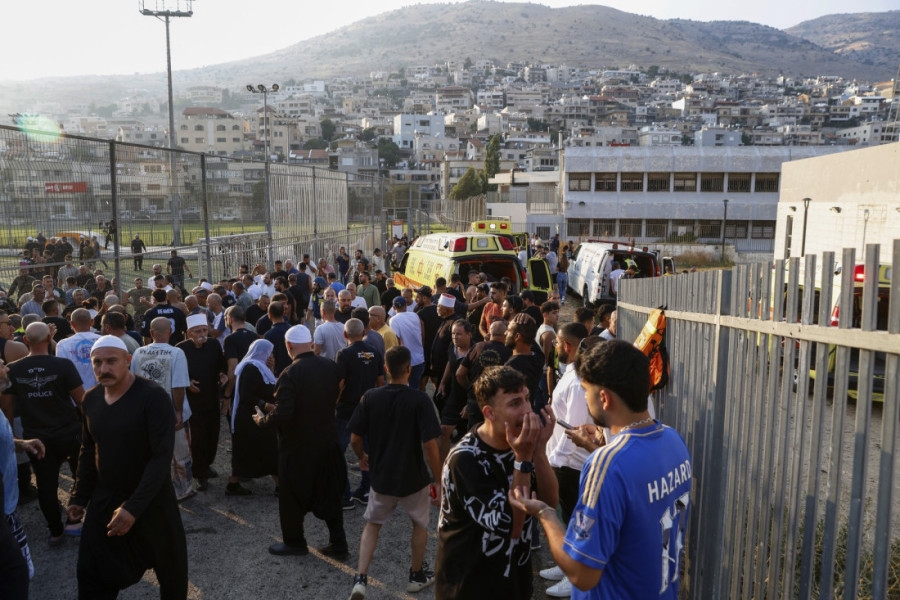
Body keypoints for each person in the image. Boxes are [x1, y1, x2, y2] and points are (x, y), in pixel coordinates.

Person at [508, 340, 692, 600]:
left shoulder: (607, 463)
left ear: (604, 398)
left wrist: (546, 513)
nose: (584, 398)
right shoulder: (674, 440)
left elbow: (582, 574)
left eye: (586, 391)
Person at [68, 336, 188, 599]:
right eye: (97, 362)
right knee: (91, 572)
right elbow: (89, 450)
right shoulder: (91, 399)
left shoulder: (153, 397)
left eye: (111, 362)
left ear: (128, 361)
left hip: (152, 499)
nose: (103, 369)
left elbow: (161, 457)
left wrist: (133, 507)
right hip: (106, 497)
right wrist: (79, 495)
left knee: (171, 571)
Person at [435, 366, 558, 599]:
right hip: (469, 586)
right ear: (489, 413)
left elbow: (549, 503)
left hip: (514, 583)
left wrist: (539, 452)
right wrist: (523, 459)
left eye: (527, 399)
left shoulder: (520, 443)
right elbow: (513, 527)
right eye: (514, 404)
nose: (527, 410)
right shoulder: (465, 459)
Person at [347, 346, 443, 599]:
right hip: (414, 477)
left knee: (373, 524)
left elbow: (355, 438)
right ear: (409, 369)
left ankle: (360, 577)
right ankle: (415, 575)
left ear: (386, 369)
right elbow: (430, 446)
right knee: (420, 524)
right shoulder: (420, 400)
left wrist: (362, 457)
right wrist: (439, 479)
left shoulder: (370, 397)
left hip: (382, 476)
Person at [253, 325, 349, 559]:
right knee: (330, 496)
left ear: (288, 346)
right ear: (311, 344)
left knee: (291, 497)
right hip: (327, 442)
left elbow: (284, 413)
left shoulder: (290, 374)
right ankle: (339, 544)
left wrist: (262, 420)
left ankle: (295, 542)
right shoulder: (330, 366)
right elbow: (338, 393)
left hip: (298, 448)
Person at [1, 322, 85, 543]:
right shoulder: (63, 365)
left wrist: (11, 439)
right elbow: (81, 401)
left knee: (47, 485)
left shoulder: (14, 369)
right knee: (80, 476)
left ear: (26, 341)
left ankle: (55, 531)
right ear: (50, 339)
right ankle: (75, 520)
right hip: (70, 432)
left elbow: (7, 409)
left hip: (36, 437)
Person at [539, 322, 590, 597]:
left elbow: (577, 428)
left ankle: (574, 576)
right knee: (571, 520)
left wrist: (555, 459)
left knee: (575, 521)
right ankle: (566, 565)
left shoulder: (580, 381)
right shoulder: (571, 374)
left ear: (566, 345)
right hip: (562, 460)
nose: (555, 346)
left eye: (558, 342)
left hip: (572, 463)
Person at [131, 317, 194, 502]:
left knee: (151, 453)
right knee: (180, 454)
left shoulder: (138, 352)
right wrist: (179, 412)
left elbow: (133, 382)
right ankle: (183, 489)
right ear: (171, 332)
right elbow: (178, 386)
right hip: (171, 412)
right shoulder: (177, 353)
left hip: (146, 412)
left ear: (150, 333)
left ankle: (153, 489)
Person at [0, 358, 43, 591]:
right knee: (16, 575)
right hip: (3, 515)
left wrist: (19, 443)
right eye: (0, 365)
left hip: (9, 506)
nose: (7, 369)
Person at [177, 315, 226, 492]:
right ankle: (199, 474)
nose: (202, 334)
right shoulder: (181, 349)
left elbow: (221, 366)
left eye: (205, 330)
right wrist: (187, 382)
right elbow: (177, 373)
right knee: (197, 438)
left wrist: (222, 374)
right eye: (198, 331)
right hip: (193, 402)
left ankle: (206, 465)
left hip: (211, 398)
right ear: (189, 333)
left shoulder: (213, 345)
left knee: (212, 435)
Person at [227, 339, 278, 497]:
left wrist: (271, 368)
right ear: (262, 353)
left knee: (254, 450)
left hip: (257, 417)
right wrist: (265, 405)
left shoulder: (262, 367)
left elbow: (270, 387)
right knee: (263, 450)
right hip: (251, 418)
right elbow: (246, 395)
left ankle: (234, 484)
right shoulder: (251, 368)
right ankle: (279, 485)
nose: (270, 356)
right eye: (268, 353)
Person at [456, 320, 511, 430]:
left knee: (474, 435)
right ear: (506, 334)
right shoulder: (509, 352)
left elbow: (459, 374)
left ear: (489, 333)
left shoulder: (477, 347)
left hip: (476, 399)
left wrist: (471, 388)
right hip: (497, 402)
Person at [505, 314, 544, 408]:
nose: (505, 333)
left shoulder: (512, 366)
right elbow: (531, 339)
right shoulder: (538, 357)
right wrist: (531, 322)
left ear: (517, 336)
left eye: (508, 330)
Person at [389, 296, 425, 389]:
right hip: (419, 359)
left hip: (405, 362)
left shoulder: (394, 320)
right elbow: (422, 332)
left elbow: (396, 340)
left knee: (405, 390)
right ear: (406, 306)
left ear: (393, 308)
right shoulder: (415, 315)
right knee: (415, 389)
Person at [262, 301, 291, 375]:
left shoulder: (268, 335)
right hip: (293, 371)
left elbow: (268, 359)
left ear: (269, 315)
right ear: (283, 313)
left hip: (278, 374)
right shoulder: (292, 330)